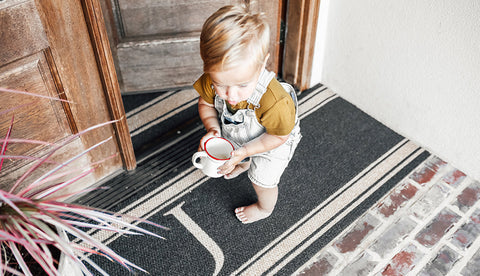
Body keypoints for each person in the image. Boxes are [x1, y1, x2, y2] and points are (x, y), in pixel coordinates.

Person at [193, 4, 301, 224]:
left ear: (262, 65)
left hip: (274, 138)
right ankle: (243, 161)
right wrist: (213, 129)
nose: (231, 96)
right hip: (238, 128)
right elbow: (205, 104)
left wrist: (246, 150)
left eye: (242, 85)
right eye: (220, 84)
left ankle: (264, 208)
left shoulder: (274, 101)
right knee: (232, 146)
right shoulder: (212, 81)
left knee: (262, 178)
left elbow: (278, 136)